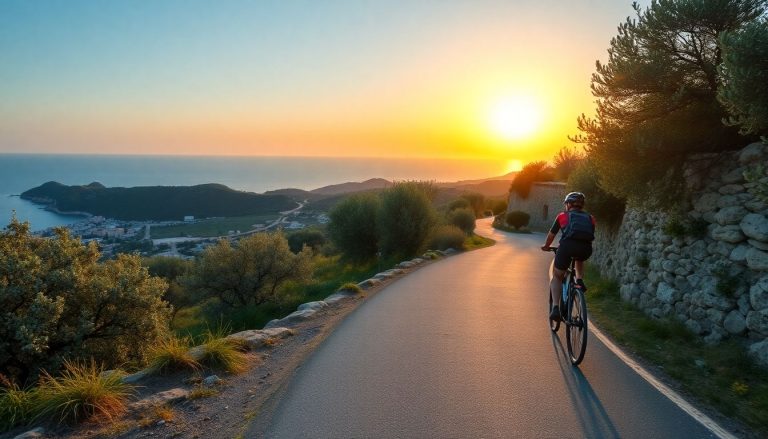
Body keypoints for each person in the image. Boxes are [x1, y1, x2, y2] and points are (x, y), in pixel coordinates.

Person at [541, 191, 595, 321]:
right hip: (586, 249)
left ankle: (555, 308)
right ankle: (580, 280)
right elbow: (585, 236)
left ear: (569, 204)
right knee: (579, 257)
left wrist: (547, 246)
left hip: (567, 247)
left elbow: (552, 235)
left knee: (557, 276)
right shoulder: (590, 218)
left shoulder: (562, 216)